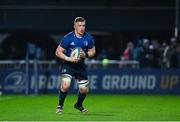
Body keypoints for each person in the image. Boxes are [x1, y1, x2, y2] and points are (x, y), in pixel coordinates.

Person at [55, 17, 96, 114]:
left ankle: (78, 105)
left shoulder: (89, 38)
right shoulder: (68, 38)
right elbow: (58, 52)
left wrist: (85, 54)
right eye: (79, 26)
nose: (82, 28)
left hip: (80, 66)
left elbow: (93, 52)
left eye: (83, 25)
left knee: (84, 90)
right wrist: (69, 58)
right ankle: (60, 105)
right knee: (65, 85)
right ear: (75, 27)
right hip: (68, 65)